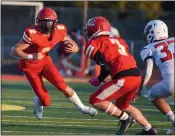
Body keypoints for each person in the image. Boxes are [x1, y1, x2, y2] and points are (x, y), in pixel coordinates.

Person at [10, 7, 97, 120]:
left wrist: (74, 46)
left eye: (50, 22)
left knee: (63, 86)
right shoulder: (32, 33)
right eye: (44, 22)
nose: (47, 26)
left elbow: (67, 39)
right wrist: (31, 56)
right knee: (46, 101)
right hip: (29, 67)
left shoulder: (60, 30)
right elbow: (14, 51)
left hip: (45, 63)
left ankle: (82, 108)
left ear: (55, 22)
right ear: (38, 22)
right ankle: (38, 100)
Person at [83, 16, 157, 135]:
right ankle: (149, 129)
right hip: (136, 76)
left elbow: (106, 68)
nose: (88, 33)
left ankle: (125, 119)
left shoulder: (94, 43)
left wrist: (99, 79)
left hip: (124, 78)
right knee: (123, 105)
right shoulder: (120, 40)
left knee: (95, 100)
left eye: (90, 30)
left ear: (95, 30)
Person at [135, 20, 174, 135]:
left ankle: (173, 120)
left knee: (152, 94)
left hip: (170, 84)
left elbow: (148, 72)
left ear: (150, 33)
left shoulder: (149, 48)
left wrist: (140, 90)